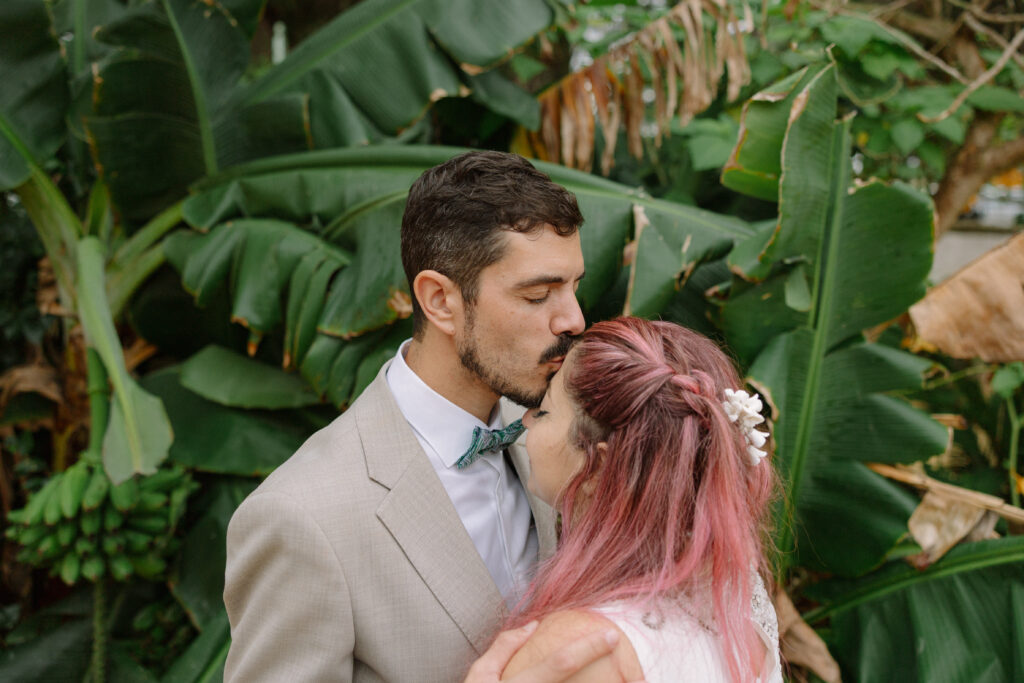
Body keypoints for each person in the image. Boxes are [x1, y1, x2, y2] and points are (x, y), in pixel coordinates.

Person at [223, 151, 612, 681]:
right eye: (538, 294)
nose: (574, 319)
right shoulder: (301, 518)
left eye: (573, 287)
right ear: (440, 301)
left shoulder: (561, 440)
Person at [502, 317, 783, 682]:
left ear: (598, 465)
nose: (525, 421)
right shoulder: (739, 600)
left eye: (544, 411)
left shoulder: (578, 650)